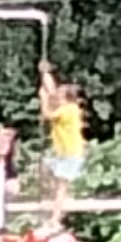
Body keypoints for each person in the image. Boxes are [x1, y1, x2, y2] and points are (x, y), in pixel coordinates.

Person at [41, 70, 87, 205]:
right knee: (47, 168)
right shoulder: (70, 108)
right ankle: (60, 199)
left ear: (66, 97)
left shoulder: (68, 109)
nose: (57, 96)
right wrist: (45, 76)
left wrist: (43, 99)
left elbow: (47, 115)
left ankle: (57, 210)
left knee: (61, 185)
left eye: (59, 95)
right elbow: (52, 99)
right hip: (66, 152)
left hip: (70, 152)